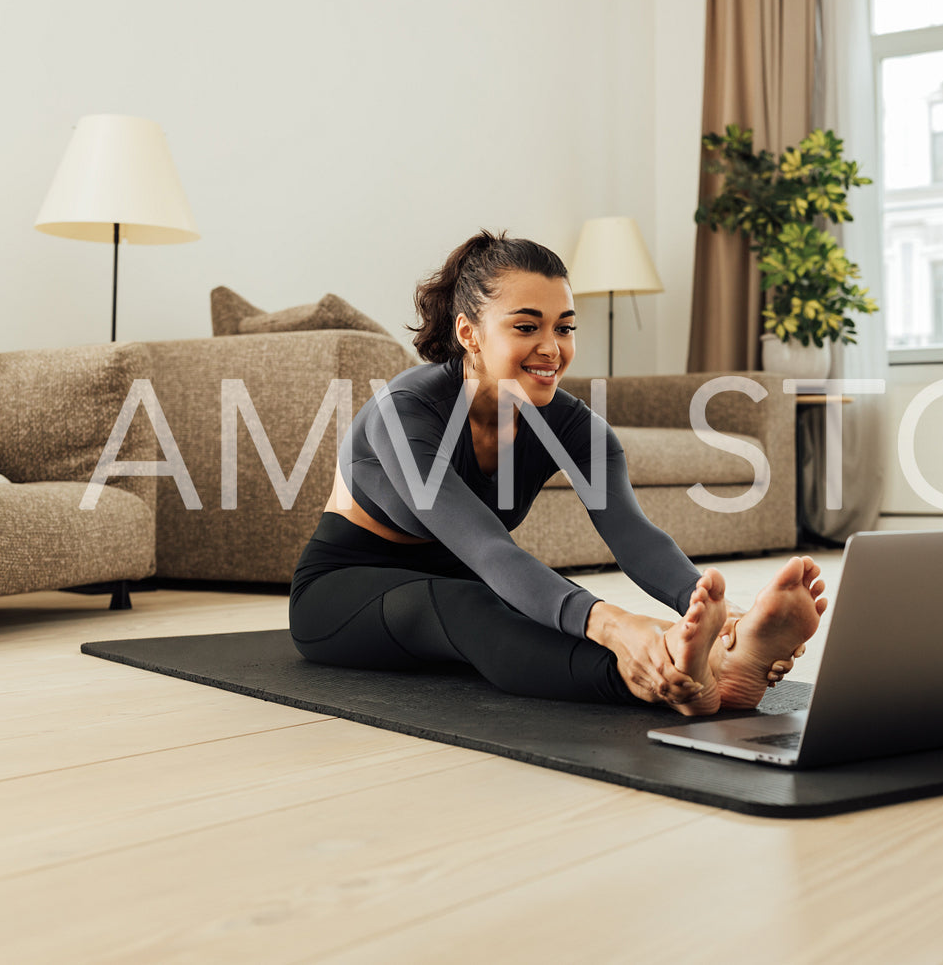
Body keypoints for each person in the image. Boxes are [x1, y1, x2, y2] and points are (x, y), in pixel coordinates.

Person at [288, 229, 827, 715]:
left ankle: (721, 655)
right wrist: (615, 622)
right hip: (345, 591)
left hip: (466, 576)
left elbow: (635, 540)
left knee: (542, 601)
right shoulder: (404, 413)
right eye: (527, 326)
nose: (552, 348)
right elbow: (487, 549)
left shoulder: (574, 426)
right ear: (469, 332)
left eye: (564, 327)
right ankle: (666, 681)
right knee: (481, 602)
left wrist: (719, 612)